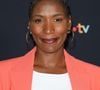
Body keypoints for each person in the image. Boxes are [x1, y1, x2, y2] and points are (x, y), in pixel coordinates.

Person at [0, 0, 100, 90]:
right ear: (30, 26)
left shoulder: (95, 76)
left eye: (57, 20)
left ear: (69, 24)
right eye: (38, 20)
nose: (48, 30)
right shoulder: (2, 73)